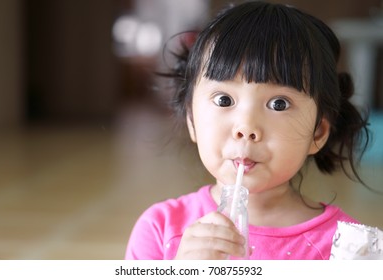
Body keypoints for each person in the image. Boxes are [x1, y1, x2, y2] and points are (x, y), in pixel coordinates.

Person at [125, 1, 370, 260]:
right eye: (224, 100)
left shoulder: (348, 250)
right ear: (192, 120)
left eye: (279, 104)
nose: (246, 127)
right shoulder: (160, 230)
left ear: (317, 133)